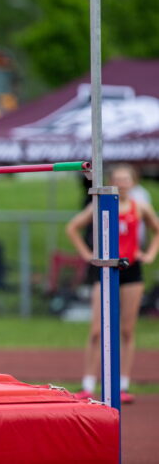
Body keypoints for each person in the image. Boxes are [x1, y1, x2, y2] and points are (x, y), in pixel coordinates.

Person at [66, 164, 159, 403]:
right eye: (117, 179)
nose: (122, 184)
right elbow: (72, 228)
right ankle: (88, 384)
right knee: (97, 330)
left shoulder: (140, 207)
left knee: (126, 330)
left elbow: (156, 230)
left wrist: (149, 255)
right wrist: (87, 254)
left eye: (126, 179)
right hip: (105, 269)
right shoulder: (99, 205)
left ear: (134, 182)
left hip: (131, 270)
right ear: (110, 182)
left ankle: (123, 385)